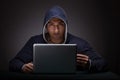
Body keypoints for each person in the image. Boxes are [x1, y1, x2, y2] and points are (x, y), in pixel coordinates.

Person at [9, 6, 107, 73]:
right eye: (51, 24)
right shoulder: (34, 41)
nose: (56, 30)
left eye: (60, 24)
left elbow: (103, 63)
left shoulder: (79, 43)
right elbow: (13, 63)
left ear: (66, 26)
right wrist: (22, 67)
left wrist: (89, 64)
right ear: (46, 27)